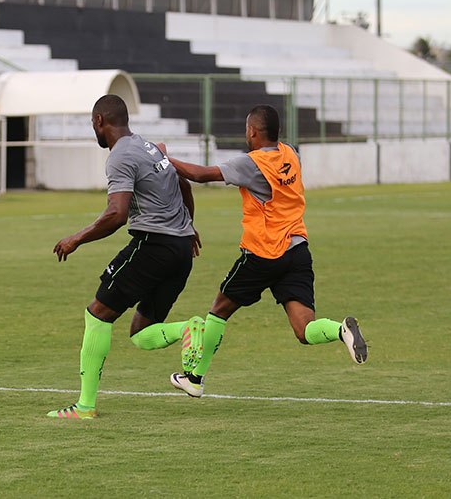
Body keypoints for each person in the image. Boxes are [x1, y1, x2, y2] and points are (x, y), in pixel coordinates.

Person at [158, 104, 368, 398]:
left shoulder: (252, 164)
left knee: (219, 310)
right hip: (297, 250)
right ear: (278, 132)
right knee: (304, 329)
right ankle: (339, 330)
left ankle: (195, 378)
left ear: (252, 131)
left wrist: (164, 158)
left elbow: (202, 175)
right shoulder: (290, 153)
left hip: (263, 253)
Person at [47, 94, 204, 419]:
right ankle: (188, 330)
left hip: (154, 247)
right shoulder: (150, 147)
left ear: (100, 122)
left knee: (98, 314)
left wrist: (76, 238)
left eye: (94, 124)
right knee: (142, 334)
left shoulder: (120, 156)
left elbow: (117, 215)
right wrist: (187, 225)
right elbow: (183, 184)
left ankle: (85, 407)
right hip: (180, 250)